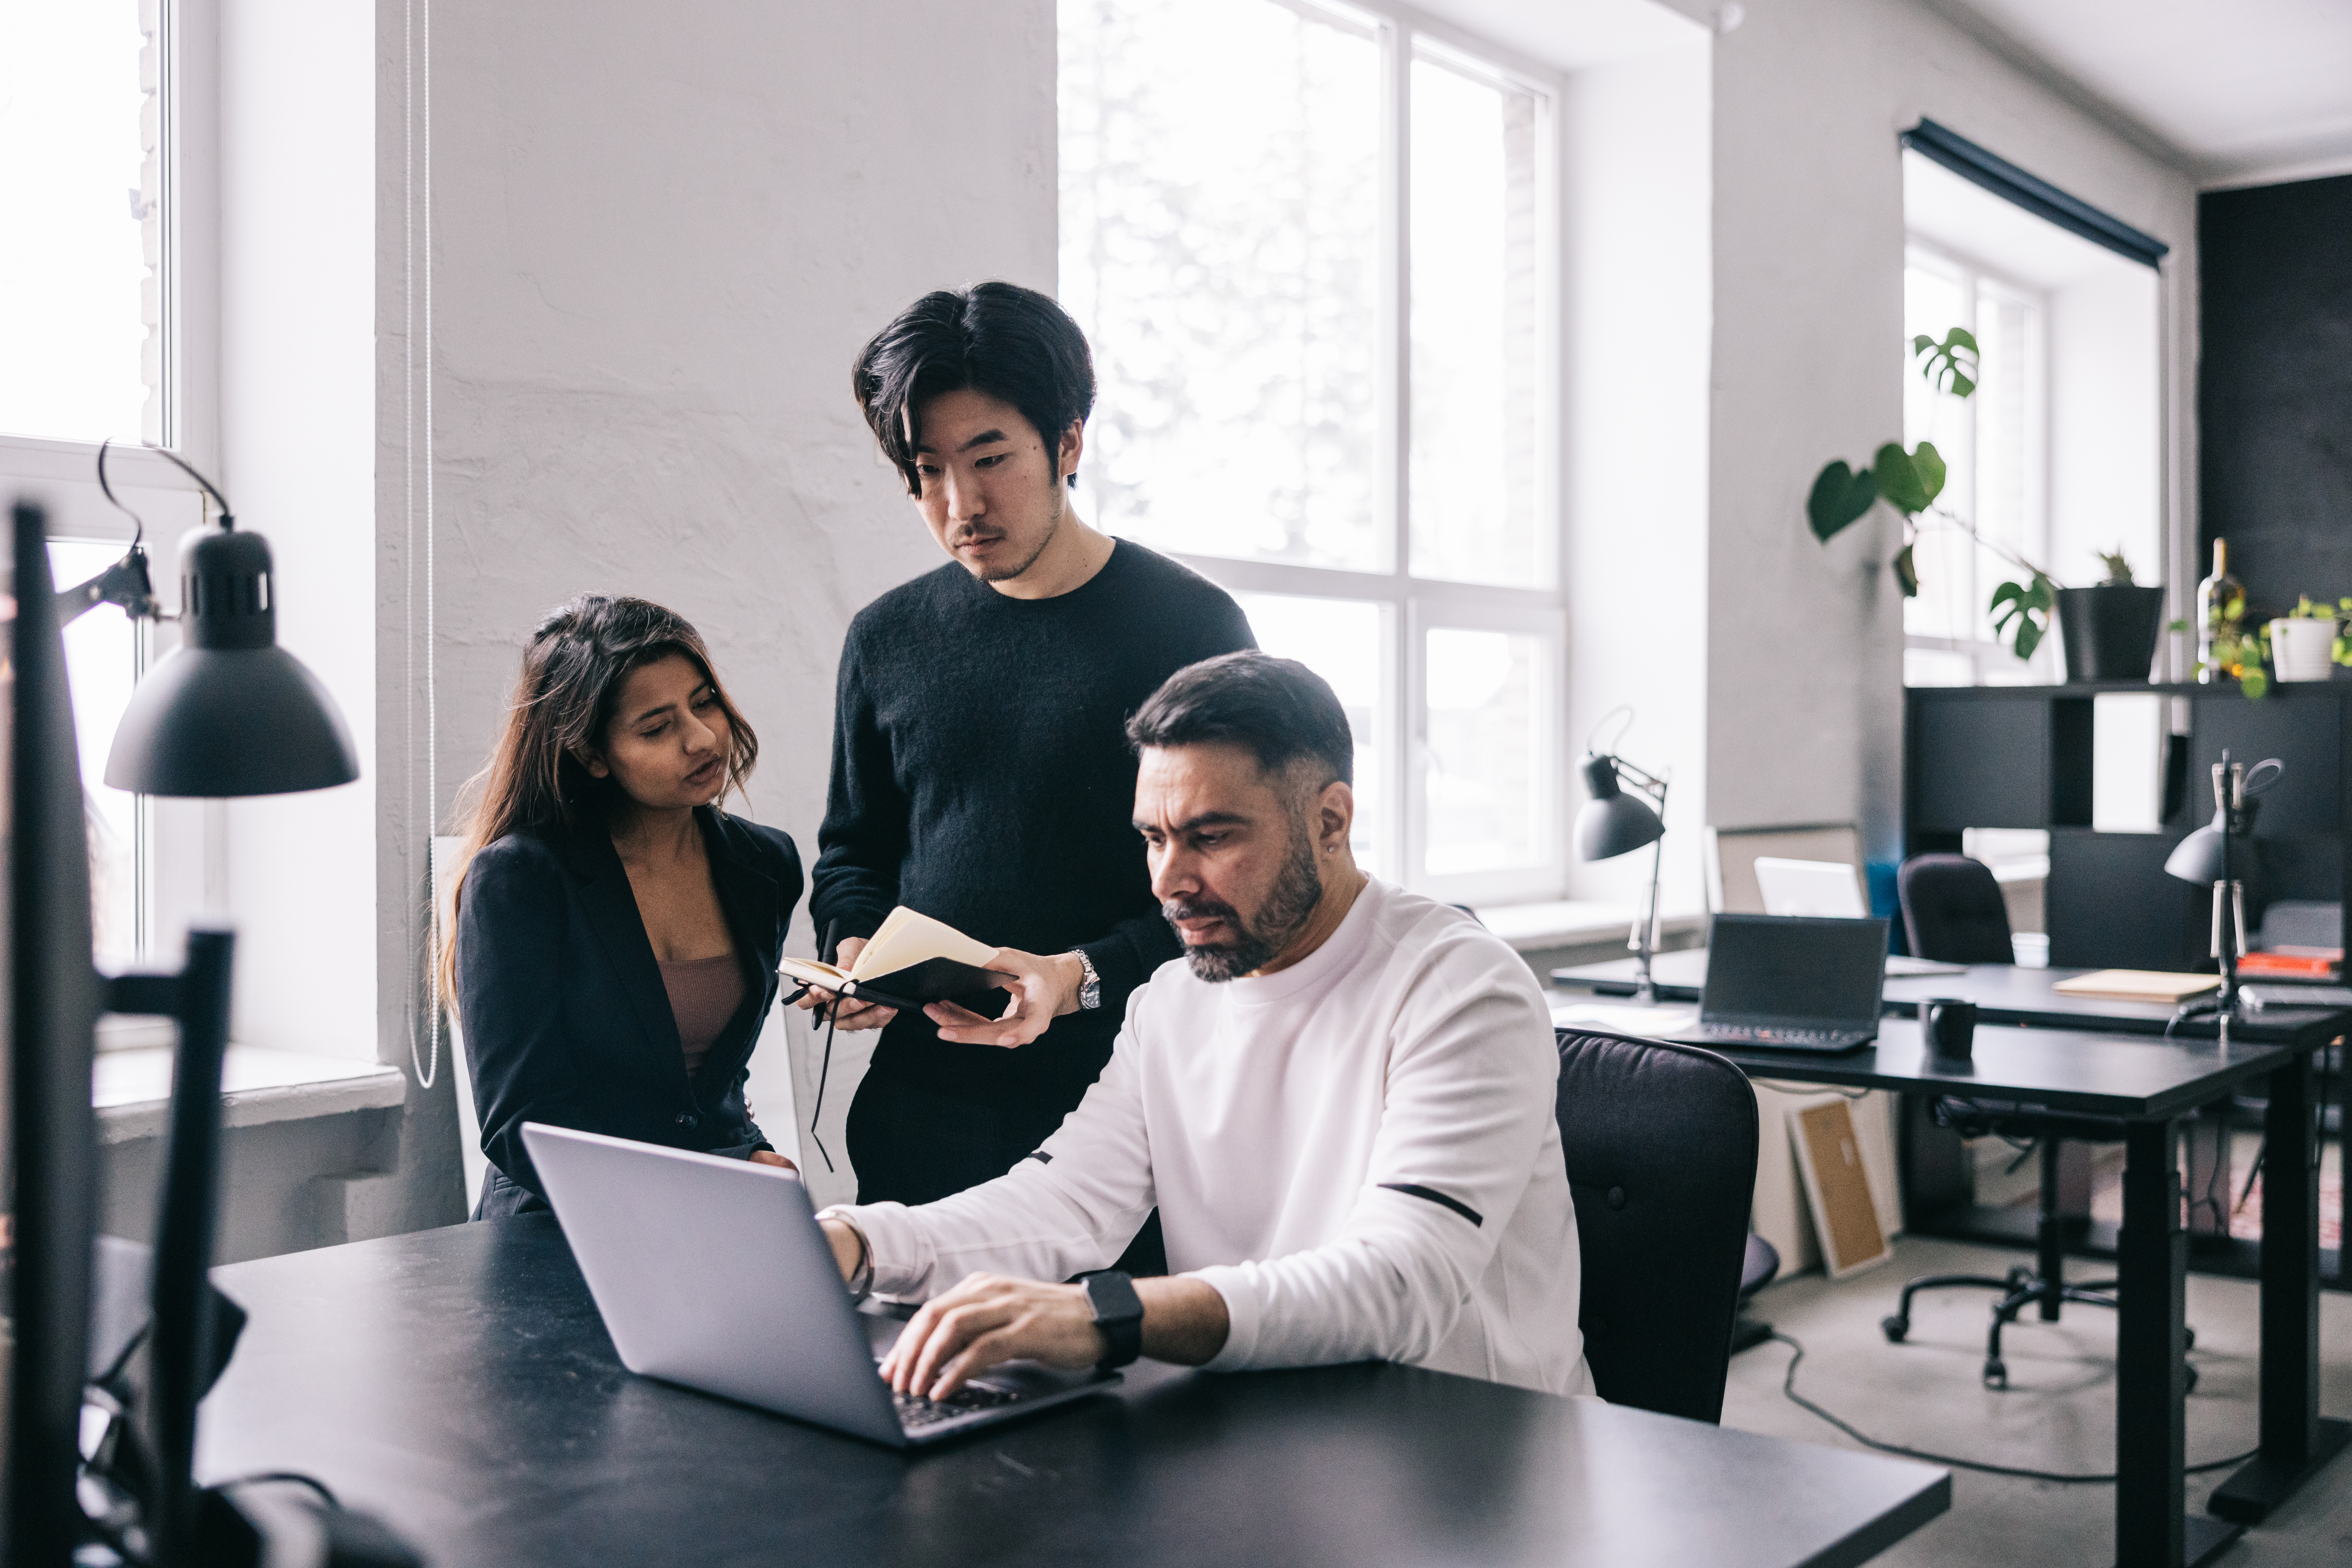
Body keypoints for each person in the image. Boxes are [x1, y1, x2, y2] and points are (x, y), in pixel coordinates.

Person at [813, 652, 1589, 1401]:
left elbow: (1402, 1281)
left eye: (1211, 837)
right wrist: (858, 1242)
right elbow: (1064, 1201)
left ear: (1331, 820)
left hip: (1471, 1462)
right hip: (1272, 1432)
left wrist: (1104, 1316)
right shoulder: (1171, 1001)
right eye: (1155, 837)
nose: (1168, 882)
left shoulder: (1462, 987)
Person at [809, 281, 1256, 1243]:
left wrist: (1077, 977)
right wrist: (857, 951)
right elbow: (853, 852)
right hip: (923, 1114)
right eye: (927, 471)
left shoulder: (1194, 628)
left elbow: (1235, 888)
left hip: (1126, 1111)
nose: (960, 504)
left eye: (990, 458)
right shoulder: (886, 637)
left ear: (1068, 444)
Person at [446, 595, 804, 1217]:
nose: (700, 739)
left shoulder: (766, 865)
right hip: (562, 1224)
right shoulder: (520, 880)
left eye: (704, 701)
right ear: (591, 755)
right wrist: (714, 1176)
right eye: (657, 727)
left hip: (724, 1206)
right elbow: (523, 1128)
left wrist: (748, 1161)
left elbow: (710, 1083)